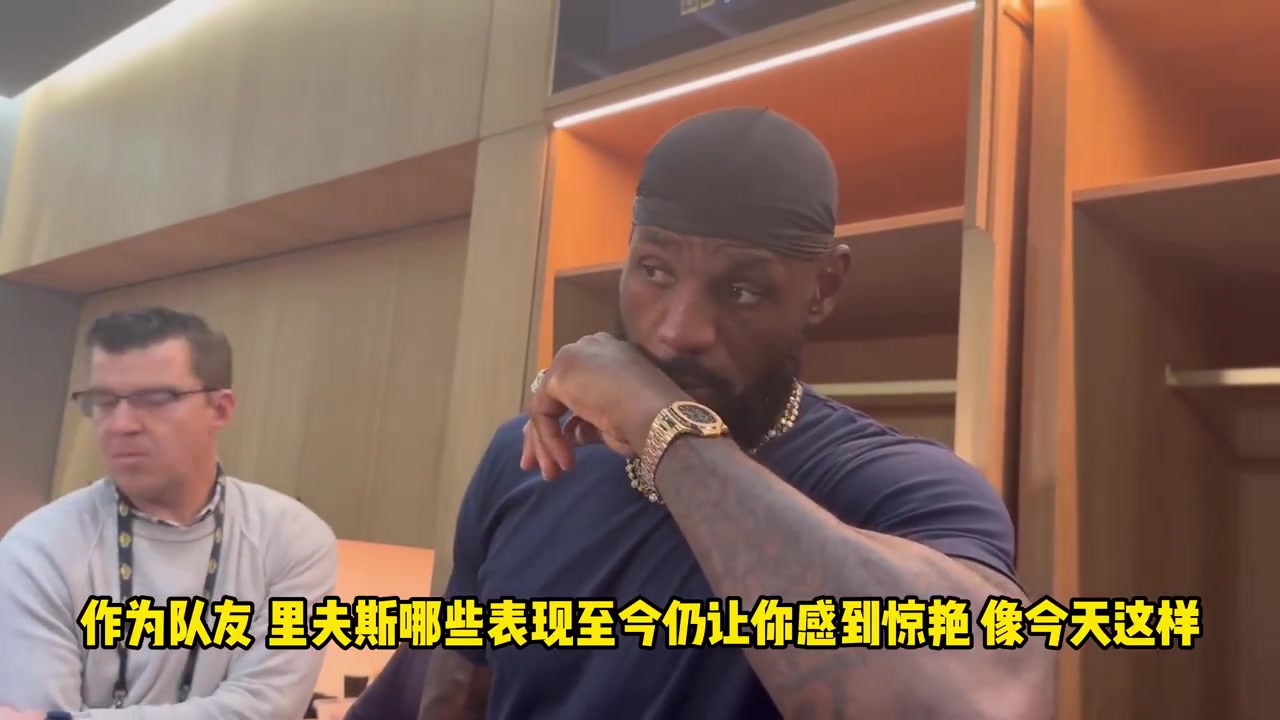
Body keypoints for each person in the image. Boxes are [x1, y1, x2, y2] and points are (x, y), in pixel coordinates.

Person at [419, 107, 1053, 719]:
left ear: (823, 288)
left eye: (742, 289)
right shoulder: (525, 457)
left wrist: (660, 422)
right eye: (654, 270)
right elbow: (456, 690)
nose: (678, 330)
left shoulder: (899, 486)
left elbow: (979, 702)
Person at [0, 307, 338, 720]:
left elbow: (268, 709)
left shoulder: (292, 537)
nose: (121, 425)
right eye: (104, 402)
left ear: (220, 409)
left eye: (155, 400)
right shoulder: (38, 548)